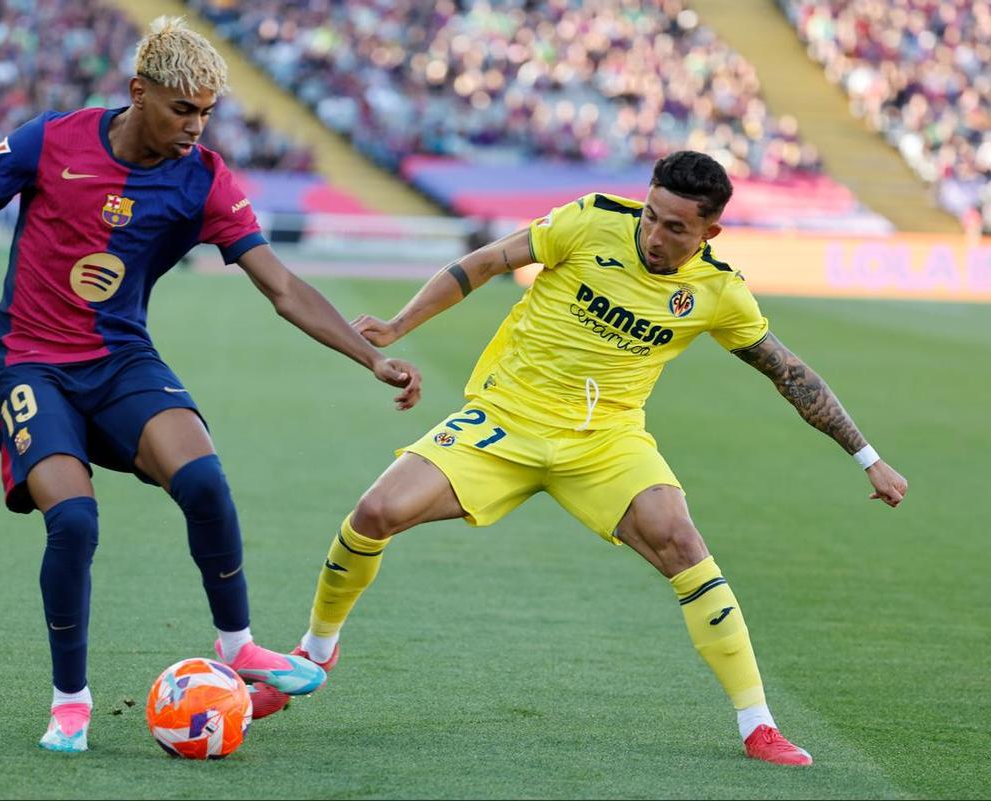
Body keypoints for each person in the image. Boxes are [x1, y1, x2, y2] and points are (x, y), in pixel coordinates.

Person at [0, 16, 422, 753]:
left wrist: (369, 357)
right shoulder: (48, 141)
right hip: (30, 363)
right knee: (75, 522)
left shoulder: (204, 179)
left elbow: (281, 287)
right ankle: (71, 700)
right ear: (139, 93)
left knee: (206, 480)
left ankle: (237, 644)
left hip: (122, 361)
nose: (195, 127)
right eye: (181, 109)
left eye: (206, 113)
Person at [251, 151, 908, 766]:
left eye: (675, 226)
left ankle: (757, 722)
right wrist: (397, 327)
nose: (654, 234)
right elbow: (484, 263)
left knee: (683, 542)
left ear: (710, 230)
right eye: (651, 214)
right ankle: (316, 651)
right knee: (374, 511)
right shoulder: (591, 218)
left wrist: (867, 456)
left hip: (605, 444)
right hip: (505, 421)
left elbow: (790, 373)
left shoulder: (719, 291)